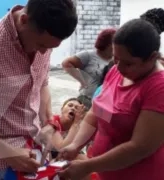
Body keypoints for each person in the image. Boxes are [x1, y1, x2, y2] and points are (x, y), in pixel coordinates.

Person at [0, 0, 78, 178]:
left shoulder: (44, 38)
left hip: (34, 153)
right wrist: (7, 152)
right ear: (24, 20)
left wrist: (49, 123)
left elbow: (41, 84)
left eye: (50, 48)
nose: (44, 53)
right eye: (41, 45)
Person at [58, 19, 164, 180]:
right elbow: (96, 114)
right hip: (105, 172)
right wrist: (75, 145)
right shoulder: (116, 71)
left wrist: (88, 166)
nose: (119, 67)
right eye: (115, 58)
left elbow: (140, 147)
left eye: (129, 63)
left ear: (152, 57)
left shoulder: (158, 88)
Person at [61, 28, 116, 100]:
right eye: (115, 42)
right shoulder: (88, 55)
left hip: (104, 101)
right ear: (108, 44)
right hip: (86, 99)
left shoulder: (116, 60)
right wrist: (82, 81)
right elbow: (66, 63)